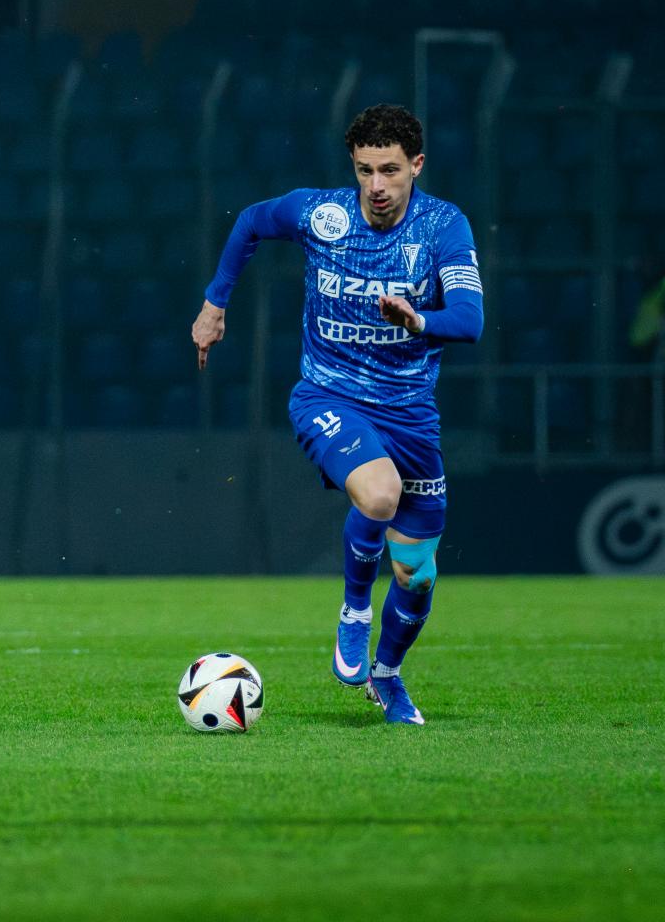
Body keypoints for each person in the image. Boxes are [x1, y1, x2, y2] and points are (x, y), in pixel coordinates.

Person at [191, 104, 484, 725]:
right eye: (364, 170)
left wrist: (418, 319)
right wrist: (216, 303)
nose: (376, 185)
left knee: (416, 575)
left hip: (410, 414)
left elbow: (470, 319)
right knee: (379, 494)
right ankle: (354, 610)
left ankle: (388, 675)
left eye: (389, 170)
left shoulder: (443, 226)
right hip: (330, 397)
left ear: (416, 166)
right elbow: (250, 222)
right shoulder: (320, 214)